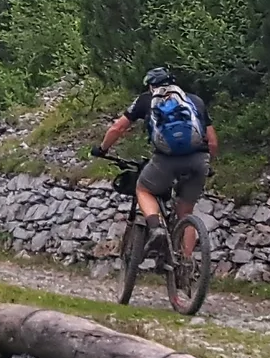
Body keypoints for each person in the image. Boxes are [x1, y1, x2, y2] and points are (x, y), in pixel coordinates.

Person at [92, 66, 218, 260]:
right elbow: (212, 142)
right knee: (186, 213)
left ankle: (156, 227)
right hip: (198, 159)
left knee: (143, 189)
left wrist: (102, 149)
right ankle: (186, 264)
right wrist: (208, 165)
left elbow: (118, 128)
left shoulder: (146, 100)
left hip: (166, 159)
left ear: (151, 85)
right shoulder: (195, 100)